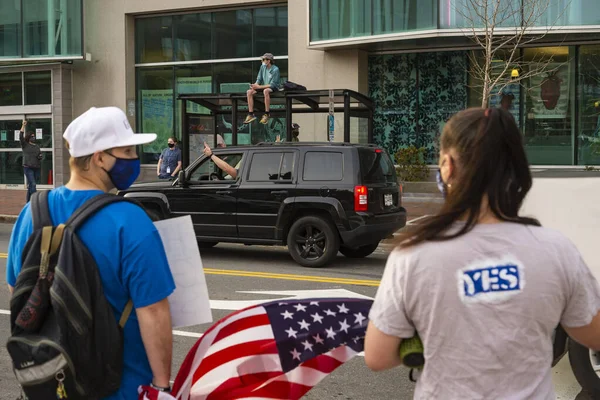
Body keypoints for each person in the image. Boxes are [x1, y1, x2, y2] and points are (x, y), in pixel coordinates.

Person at [364, 107, 600, 399]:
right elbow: (593, 333)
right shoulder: (556, 250)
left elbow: (377, 356)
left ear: (448, 166)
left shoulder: (413, 255)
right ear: (517, 170)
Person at [6, 106, 176, 398]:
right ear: (99, 158)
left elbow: (18, 290)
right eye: (127, 152)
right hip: (120, 387)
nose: (134, 160)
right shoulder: (131, 221)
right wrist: (162, 386)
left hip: (53, 380)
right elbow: (154, 311)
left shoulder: (31, 213)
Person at [244, 53, 281, 126]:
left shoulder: (275, 69)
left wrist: (259, 87)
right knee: (249, 92)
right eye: (262, 59)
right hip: (263, 86)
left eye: (264, 59)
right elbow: (259, 79)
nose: (262, 61)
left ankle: (267, 114)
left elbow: (273, 84)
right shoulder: (262, 67)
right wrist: (254, 85)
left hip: (273, 87)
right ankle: (251, 114)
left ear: (269, 60)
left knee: (266, 91)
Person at [18, 120, 42, 202]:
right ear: (29, 137)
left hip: (36, 167)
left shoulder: (37, 146)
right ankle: (35, 201)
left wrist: (40, 156)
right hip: (28, 167)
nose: (33, 137)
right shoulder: (25, 145)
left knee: (31, 186)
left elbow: (39, 156)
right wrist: (23, 125)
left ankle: (28, 203)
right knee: (33, 184)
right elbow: (20, 136)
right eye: (32, 136)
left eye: (34, 136)